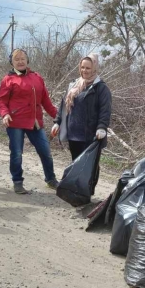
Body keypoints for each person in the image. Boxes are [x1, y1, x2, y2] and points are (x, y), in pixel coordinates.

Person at [0, 49, 59, 194]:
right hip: (15, 121)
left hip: (35, 122)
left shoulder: (37, 77)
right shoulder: (8, 79)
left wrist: (58, 117)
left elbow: (46, 101)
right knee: (17, 153)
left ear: (27, 60)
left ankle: (51, 179)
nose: (20, 61)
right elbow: (1, 100)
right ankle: (17, 181)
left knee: (45, 151)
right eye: (16, 59)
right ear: (11, 62)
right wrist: (5, 114)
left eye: (22, 58)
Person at [51, 54, 112, 190]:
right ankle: (76, 192)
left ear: (94, 68)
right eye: (82, 67)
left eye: (88, 68)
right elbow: (63, 107)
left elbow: (105, 110)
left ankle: (87, 193)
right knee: (76, 164)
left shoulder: (101, 88)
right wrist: (57, 122)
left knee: (90, 166)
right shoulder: (73, 85)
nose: (85, 70)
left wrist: (102, 127)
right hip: (74, 134)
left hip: (91, 135)